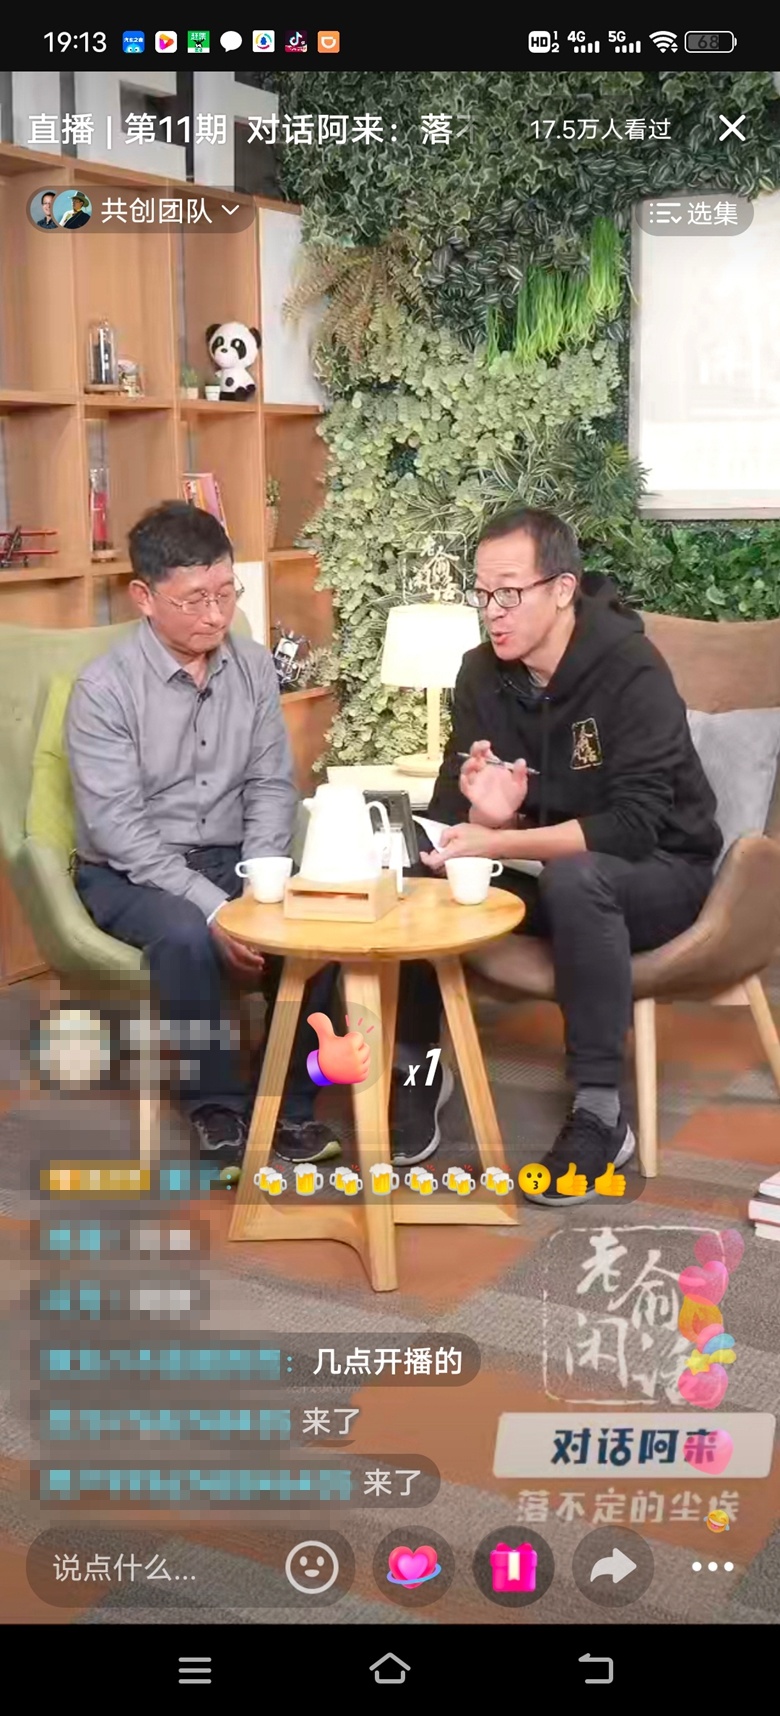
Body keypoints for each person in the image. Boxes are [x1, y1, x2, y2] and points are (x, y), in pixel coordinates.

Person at [392, 505, 722, 1201]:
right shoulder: (481, 673)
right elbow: (453, 813)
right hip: (550, 870)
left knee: (577, 879)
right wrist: (484, 816)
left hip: (664, 871)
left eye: (510, 592)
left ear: (563, 589)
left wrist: (501, 838)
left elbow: (633, 826)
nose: (493, 611)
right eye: (483, 593)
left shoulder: (630, 669)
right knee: (416, 867)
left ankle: (601, 1112)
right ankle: (416, 1067)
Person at [66, 501, 342, 1171]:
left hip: (231, 857)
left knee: (318, 926)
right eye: (194, 600)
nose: (216, 616)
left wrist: (260, 883)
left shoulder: (252, 666)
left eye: (226, 592)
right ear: (144, 597)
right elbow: (118, 829)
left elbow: (271, 783)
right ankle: (215, 1106)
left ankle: (289, 1104)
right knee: (187, 932)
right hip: (126, 870)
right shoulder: (104, 689)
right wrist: (219, 910)